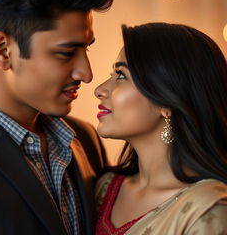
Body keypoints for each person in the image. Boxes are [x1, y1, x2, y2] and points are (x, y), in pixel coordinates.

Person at [0, 0, 114, 234]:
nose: (86, 73)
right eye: (66, 53)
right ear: (3, 51)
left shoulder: (86, 138)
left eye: (86, 50)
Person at [94, 22, 227, 235]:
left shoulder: (209, 211)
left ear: (167, 101)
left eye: (121, 76)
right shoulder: (103, 188)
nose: (99, 90)